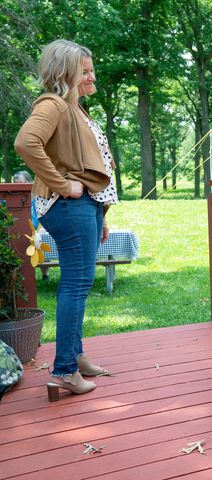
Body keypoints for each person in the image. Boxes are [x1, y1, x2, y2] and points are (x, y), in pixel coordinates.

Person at [14, 39, 118, 401]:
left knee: (80, 283)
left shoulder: (76, 109)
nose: (92, 76)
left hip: (85, 208)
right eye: (85, 71)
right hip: (69, 207)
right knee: (75, 284)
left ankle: (75, 356)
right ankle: (64, 372)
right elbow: (26, 143)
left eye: (91, 69)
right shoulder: (54, 105)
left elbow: (90, 167)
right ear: (66, 73)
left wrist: (100, 213)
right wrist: (62, 185)